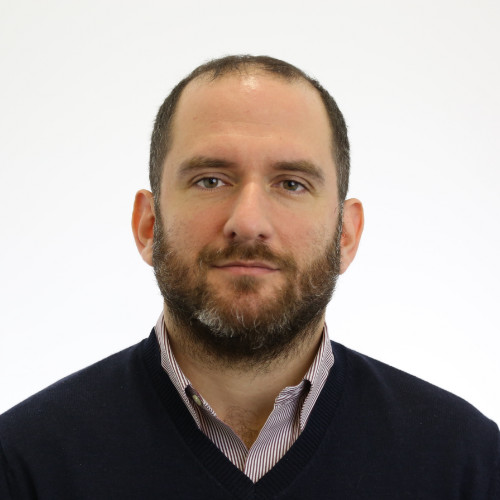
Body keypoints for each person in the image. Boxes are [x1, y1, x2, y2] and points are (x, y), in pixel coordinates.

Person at [0, 55, 498, 499]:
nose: (248, 221)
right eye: (210, 180)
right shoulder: (23, 465)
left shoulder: (468, 464)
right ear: (148, 224)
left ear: (345, 235)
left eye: (291, 183)